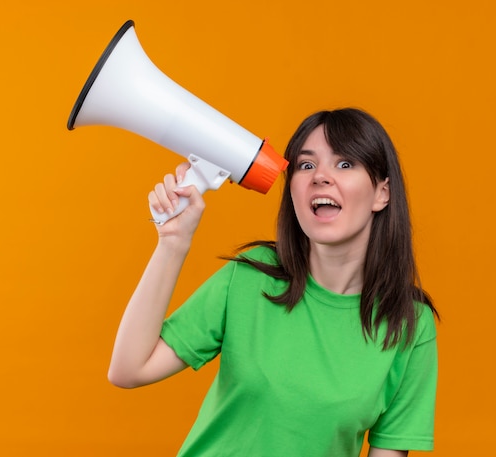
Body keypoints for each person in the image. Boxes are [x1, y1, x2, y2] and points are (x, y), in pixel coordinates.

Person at [108, 108, 439, 457]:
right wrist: (172, 243)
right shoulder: (251, 277)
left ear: (381, 194)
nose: (320, 177)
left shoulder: (410, 324)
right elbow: (129, 369)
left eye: (344, 164)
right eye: (306, 165)